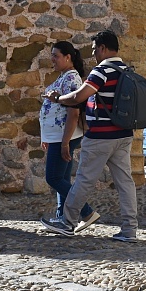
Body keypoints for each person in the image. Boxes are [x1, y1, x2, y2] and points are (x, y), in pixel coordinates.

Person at [39, 30, 139, 242]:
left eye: (94, 50)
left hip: (101, 136)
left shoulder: (101, 71)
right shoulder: (125, 70)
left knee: (83, 180)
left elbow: (78, 97)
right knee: (125, 182)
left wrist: (57, 98)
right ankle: (130, 230)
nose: (93, 55)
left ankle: (67, 222)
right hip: (124, 135)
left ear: (103, 48)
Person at [39, 41, 99, 229]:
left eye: (56, 55)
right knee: (62, 179)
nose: (52, 59)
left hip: (64, 137)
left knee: (54, 178)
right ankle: (62, 217)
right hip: (57, 137)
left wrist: (64, 142)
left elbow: (73, 112)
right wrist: (46, 136)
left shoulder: (72, 78)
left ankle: (86, 212)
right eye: (52, 55)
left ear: (68, 57)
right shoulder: (65, 76)